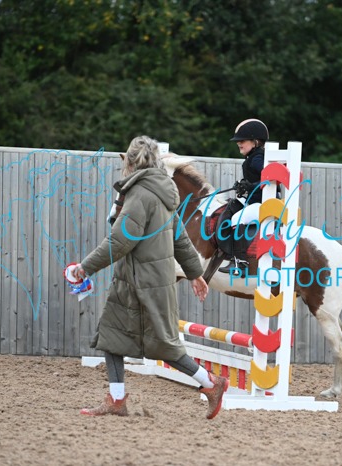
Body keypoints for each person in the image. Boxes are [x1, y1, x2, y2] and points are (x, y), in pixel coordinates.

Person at [69, 135, 229, 419]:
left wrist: (86, 267)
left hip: (143, 282)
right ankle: (117, 400)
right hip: (142, 281)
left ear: (129, 162)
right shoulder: (164, 191)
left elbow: (120, 241)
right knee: (111, 335)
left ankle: (211, 383)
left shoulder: (140, 194)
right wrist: (195, 273)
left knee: (165, 347)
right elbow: (180, 238)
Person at [217, 118, 269, 276]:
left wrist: (250, 186)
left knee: (236, 219)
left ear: (255, 142)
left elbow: (271, 179)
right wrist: (243, 186)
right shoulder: (253, 158)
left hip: (265, 204)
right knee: (230, 206)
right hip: (254, 201)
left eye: (243, 140)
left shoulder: (258, 159)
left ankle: (240, 263)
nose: (238, 143)